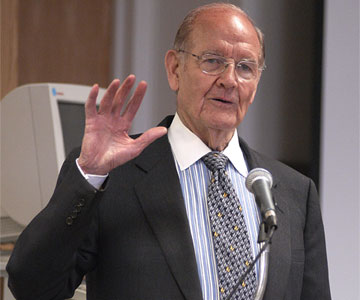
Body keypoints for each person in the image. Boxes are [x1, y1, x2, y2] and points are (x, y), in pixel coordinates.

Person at [7, 3, 331, 300]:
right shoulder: (114, 178)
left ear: (256, 82)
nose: (229, 80)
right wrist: (89, 176)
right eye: (213, 61)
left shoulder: (293, 192)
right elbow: (32, 287)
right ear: (175, 69)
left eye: (245, 67)